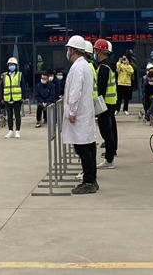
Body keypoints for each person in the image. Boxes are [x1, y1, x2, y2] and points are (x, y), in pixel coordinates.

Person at [63, 35, 98, 194]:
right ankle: (91, 180)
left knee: (83, 149)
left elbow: (75, 91)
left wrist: (72, 111)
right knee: (88, 147)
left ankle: (88, 181)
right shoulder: (85, 65)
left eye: (68, 49)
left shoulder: (78, 68)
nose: (67, 52)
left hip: (79, 114)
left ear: (73, 50)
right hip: (85, 113)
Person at [94, 39, 118, 169]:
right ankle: (111, 154)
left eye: (95, 50)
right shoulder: (110, 65)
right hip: (111, 102)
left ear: (100, 51)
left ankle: (109, 159)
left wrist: (97, 105)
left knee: (106, 131)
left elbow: (101, 88)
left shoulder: (104, 67)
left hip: (104, 104)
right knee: (110, 129)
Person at [1, 57, 24, 138]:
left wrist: (24, 97)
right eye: (10, 65)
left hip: (17, 98)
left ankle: (17, 131)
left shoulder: (19, 75)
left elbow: (23, 86)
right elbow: (2, 87)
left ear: (16, 65)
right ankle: (10, 130)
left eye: (13, 65)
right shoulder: (4, 76)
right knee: (9, 115)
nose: (11, 66)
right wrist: (2, 98)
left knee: (17, 115)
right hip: (7, 98)